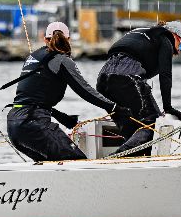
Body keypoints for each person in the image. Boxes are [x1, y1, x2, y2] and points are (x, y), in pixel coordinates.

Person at [7, 21, 117, 162]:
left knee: (49, 165)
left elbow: (32, 96)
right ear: (69, 39)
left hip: (13, 124)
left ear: (44, 38)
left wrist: (61, 116)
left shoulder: (33, 56)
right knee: (77, 161)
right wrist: (113, 107)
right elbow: (85, 90)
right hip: (33, 123)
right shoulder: (62, 60)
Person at [96, 21, 181, 157]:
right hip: (126, 78)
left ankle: (129, 160)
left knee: (131, 128)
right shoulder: (165, 39)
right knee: (153, 124)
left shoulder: (143, 33)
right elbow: (165, 75)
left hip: (103, 81)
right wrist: (168, 107)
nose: (179, 51)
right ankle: (117, 157)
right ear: (174, 35)